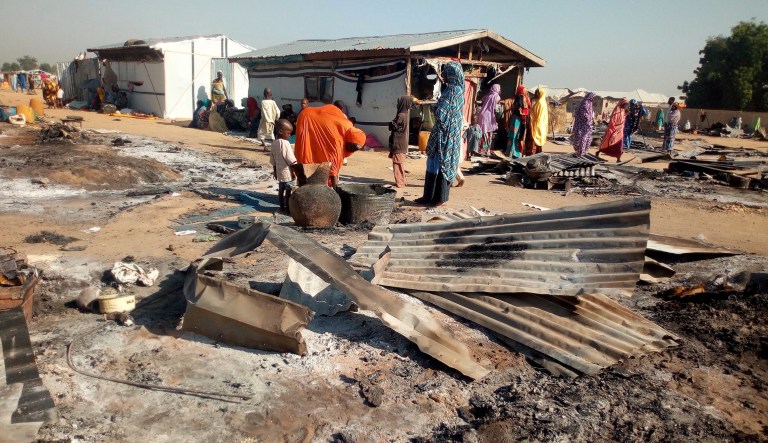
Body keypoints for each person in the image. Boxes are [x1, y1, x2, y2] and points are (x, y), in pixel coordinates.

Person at [414, 61, 464, 206]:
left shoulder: (454, 91)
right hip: (441, 132)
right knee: (433, 163)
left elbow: (443, 113)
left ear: (452, 74)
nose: (443, 76)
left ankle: (439, 198)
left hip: (447, 135)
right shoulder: (451, 90)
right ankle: (428, 196)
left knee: (442, 163)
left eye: (446, 73)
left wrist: (434, 107)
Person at [293, 104, 366, 188]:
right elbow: (333, 170)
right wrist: (337, 193)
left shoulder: (346, 129)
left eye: (354, 150)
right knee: (306, 154)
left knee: (316, 156)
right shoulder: (338, 141)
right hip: (306, 119)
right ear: (349, 141)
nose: (351, 150)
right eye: (352, 147)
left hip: (310, 116)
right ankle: (303, 187)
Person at [270, 119, 297, 211]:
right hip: (287, 172)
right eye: (289, 133)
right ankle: (288, 208)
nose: (289, 135)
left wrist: (275, 171)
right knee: (288, 190)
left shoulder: (274, 143)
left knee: (281, 190)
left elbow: (272, 159)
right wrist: (294, 171)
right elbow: (290, 159)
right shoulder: (285, 143)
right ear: (281, 131)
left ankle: (281, 207)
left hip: (279, 172)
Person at [388, 95, 412, 188]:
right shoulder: (406, 114)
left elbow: (393, 125)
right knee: (400, 163)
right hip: (403, 143)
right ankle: (403, 181)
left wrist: (391, 124)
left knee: (397, 164)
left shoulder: (401, 115)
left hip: (398, 143)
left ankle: (400, 182)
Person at [506, 85, 531, 158]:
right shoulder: (525, 98)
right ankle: (516, 153)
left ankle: (510, 152)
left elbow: (518, 106)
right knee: (517, 136)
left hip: (516, 118)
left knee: (513, 135)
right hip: (521, 119)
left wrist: (513, 108)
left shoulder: (520, 96)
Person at [476, 84, 501, 156]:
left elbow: (481, 102)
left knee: (482, 132)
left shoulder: (487, 95)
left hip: (481, 115)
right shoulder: (497, 97)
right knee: (488, 133)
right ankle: (485, 151)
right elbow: (496, 109)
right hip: (489, 116)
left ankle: (479, 150)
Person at [570, 92, 595, 157]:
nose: (593, 99)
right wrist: (589, 119)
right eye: (593, 97)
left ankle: (582, 152)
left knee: (586, 138)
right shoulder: (585, 103)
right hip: (582, 124)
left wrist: (591, 119)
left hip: (587, 125)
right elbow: (584, 114)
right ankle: (580, 152)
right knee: (582, 138)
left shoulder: (590, 103)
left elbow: (590, 113)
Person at [526, 86, 548, 155]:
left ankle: (532, 156)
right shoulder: (542, 102)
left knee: (534, 141)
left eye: (538, 93)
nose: (536, 95)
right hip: (541, 125)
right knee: (538, 142)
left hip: (537, 125)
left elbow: (537, 115)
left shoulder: (540, 103)